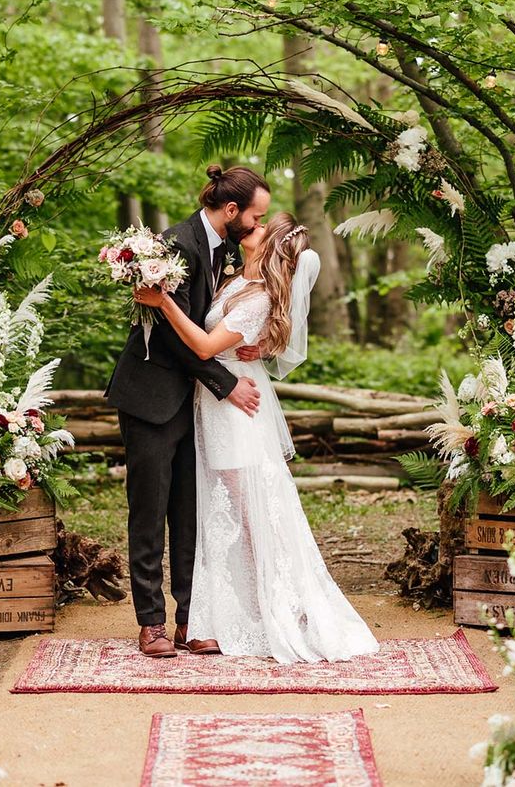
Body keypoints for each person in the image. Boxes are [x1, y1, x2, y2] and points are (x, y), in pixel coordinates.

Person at [135, 212, 380, 663]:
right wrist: (262, 344)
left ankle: (285, 611)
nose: (255, 226)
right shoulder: (237, 281)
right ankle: (229, 613)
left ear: (272, 249)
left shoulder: (258, 296)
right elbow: (234, 337)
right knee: (232, 514)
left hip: (234, 409)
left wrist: (163, 301)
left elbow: (207, 348)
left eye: (264, 227)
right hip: (214, 402)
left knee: (250, 516)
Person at [106, 164, 271, 657]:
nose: (259, 224)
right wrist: (226, 386)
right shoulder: (179, 244)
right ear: (231, 210)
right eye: (256, 216)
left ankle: (190, 618)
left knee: (190, 512)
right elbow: (178, 339)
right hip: (153, 396)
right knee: (150, 510)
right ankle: (151, 622)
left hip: (194, 404)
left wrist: (254, 347)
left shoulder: (224, 249)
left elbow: (220, 324)